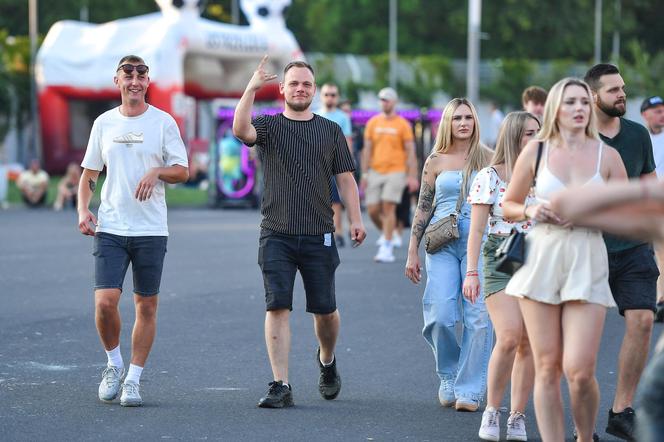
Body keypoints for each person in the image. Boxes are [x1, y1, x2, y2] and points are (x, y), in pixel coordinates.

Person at [232, 56, 366, 408]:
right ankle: (281, 384)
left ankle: (327, 360)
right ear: (283, 89)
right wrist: (251, 86)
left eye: (306, 84)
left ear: (314, 90)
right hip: (275, 232)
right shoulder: (270, 126)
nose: (300, 88)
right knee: (277, 305)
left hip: (319, 233)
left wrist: (356, 219)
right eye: (294, 83)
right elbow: (240, 130)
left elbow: (346, 179)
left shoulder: (330, 130)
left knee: (325, 312)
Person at [501, 77, 627, 442]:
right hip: (541, 257)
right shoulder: (536, 151)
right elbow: (508, 206)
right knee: (545, 367)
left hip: (587, 260)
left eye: (584, 102)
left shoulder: (609, 156)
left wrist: (592, 214)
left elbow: (627, 212)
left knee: (580, 371)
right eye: (570, 102)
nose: (578, 109)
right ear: (557, 107)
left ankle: (585, 436)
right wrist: (531, 208)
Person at [77, 55, 189, 407]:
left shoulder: (163, 122)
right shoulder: (104, 123)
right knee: (105, 303)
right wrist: (83, 209)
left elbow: (182, 170)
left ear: (148, 81)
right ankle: (113, 365)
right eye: (129, 74)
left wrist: (157, 172)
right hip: (111, 226)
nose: (135, 80)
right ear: (118, 80)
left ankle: (134, 380)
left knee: (146, 306)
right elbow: (90, 174)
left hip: (151, 229)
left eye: (142, 74)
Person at [584, 63, 659, 441]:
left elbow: (650, 187)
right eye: (613, 90)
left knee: (643, 320)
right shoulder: (576, 138)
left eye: (623, 88)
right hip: (586, 249)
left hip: (632, 248)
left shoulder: (637, 134)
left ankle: (621, 410)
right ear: (592, 95)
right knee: (583, 339)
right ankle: (583, 427)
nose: (622, 95)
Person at [405, 98, 493, 412]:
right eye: (457, 118)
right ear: (448, 123)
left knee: (477, 316)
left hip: (480, 244)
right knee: (440, 315)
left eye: (468, 117)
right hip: (441, 242)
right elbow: (423, 206)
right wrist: (412, 250)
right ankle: (449, 373)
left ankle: (470, 388)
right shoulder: (435, 160)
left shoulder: (489, 158)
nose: (463, 123)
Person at [464, 111, 540, 441]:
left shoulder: (547, 175)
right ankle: (492, 410)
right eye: (528, 134)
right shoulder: (489, 176)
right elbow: (477, 229)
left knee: (529, 343)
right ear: (512, 136)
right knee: (509, 336)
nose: (535, 139)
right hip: (502, 254)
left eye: (538, 133)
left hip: (540, 256)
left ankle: (518, 416)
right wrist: (471, 272)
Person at [361, 87, 419, 263]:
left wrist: (412, 175)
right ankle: (390, 231)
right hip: (375, 170)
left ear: (394, 102)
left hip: (396, 170)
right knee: (372, 209)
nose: (383, 102)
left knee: (388, 206)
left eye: (386, 99)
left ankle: (386, 248)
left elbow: (410, 152)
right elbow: (367, 149)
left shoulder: (403, 124)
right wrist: (363, 174)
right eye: (381, 99)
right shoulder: (373, 123)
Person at [316, 82, 354, 246]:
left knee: (336, 201)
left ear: (337, 97)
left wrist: (348, 165)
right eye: (326, 94)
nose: (329, 97)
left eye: (333, 95)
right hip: (316, 164)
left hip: (335, 164)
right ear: (321, 96)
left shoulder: (343, 117)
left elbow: (348, 141)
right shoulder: (314, 115)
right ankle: (323, 231)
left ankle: (337, 231)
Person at [640, 95, 664, 322]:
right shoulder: (640, 138)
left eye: (663, 109)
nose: (662, 114)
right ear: (644, 114)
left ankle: (660, 299)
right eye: (656, 110)